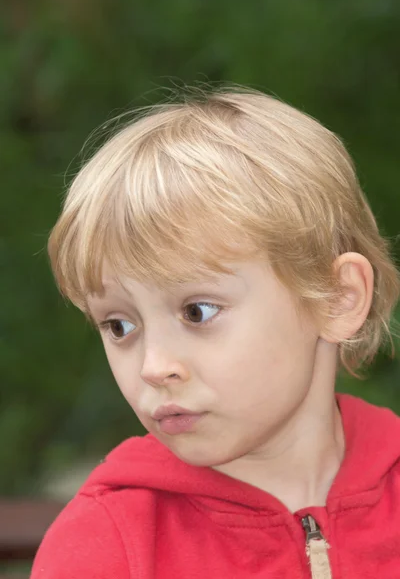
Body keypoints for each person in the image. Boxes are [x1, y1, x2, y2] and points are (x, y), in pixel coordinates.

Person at [31, 86, 400, 578]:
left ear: (338, 299)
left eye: (197, 311)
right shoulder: (105, 547)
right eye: (119, 325)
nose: (154, 366)